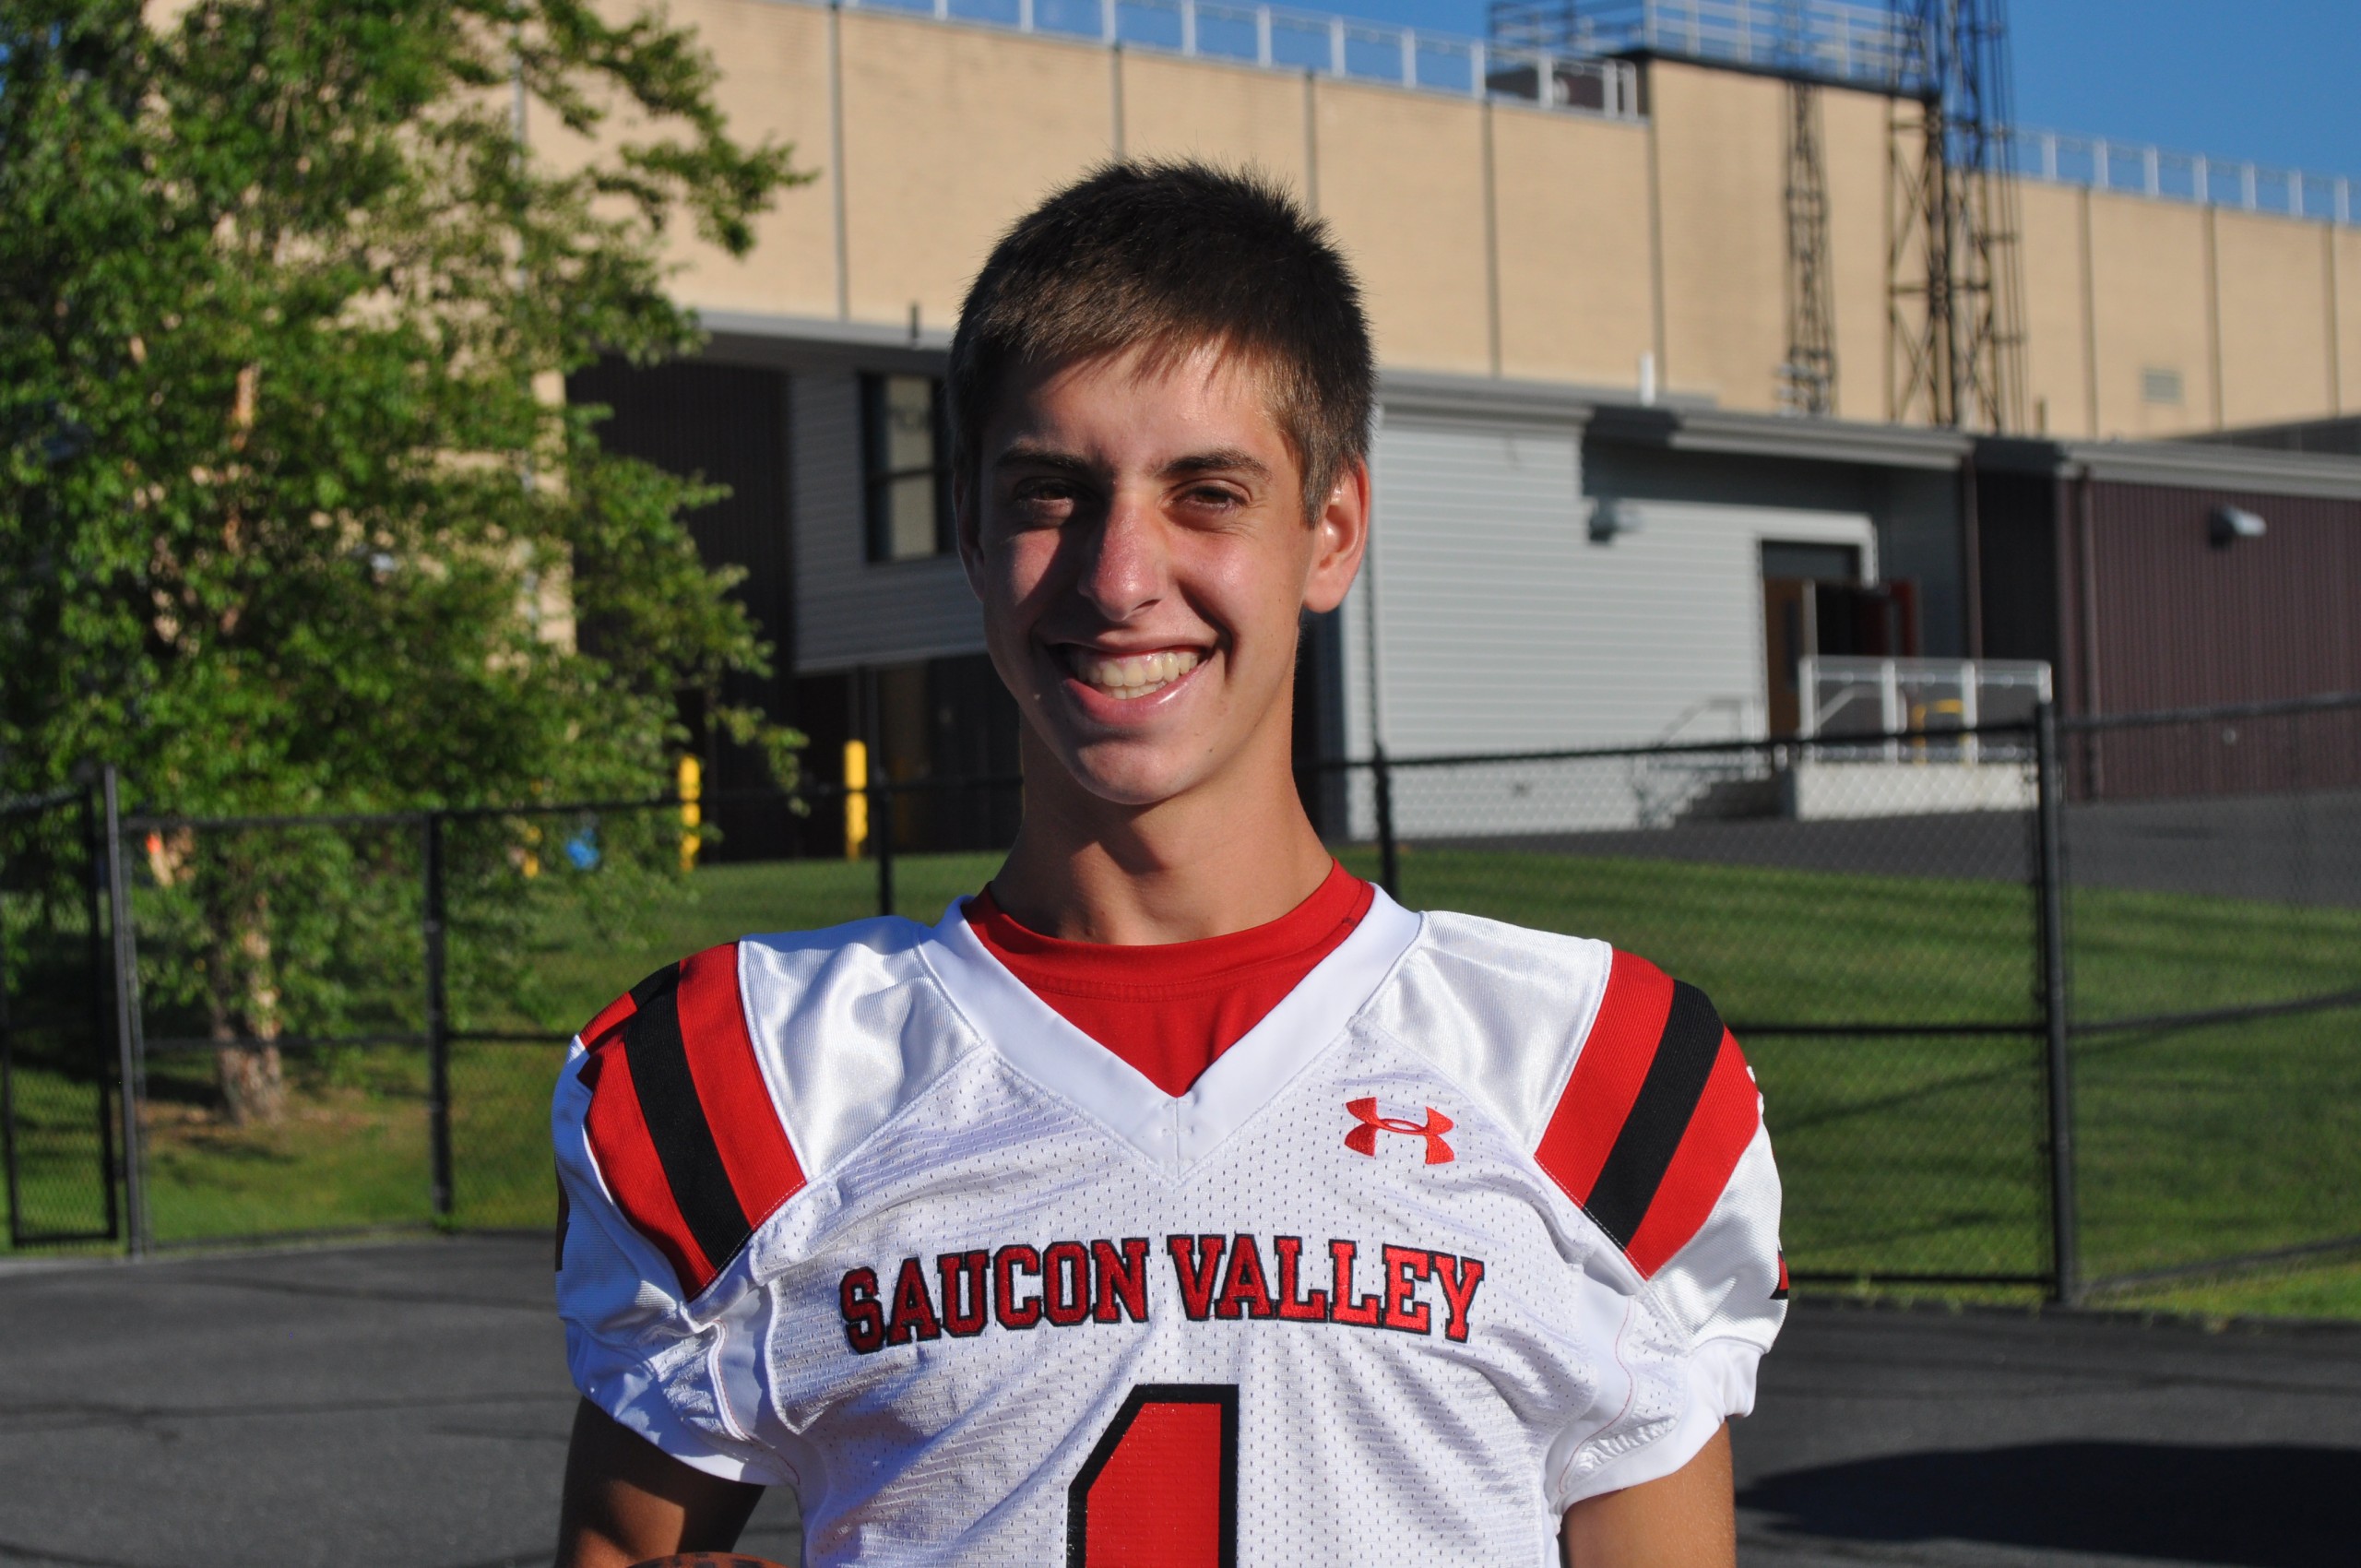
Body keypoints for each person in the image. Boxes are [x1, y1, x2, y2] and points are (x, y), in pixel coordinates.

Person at [552, 160, 1784, 1568]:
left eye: (1208, 492)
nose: (1120, 574)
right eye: (1051, 492)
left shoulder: (1583, 1074)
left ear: (1329, 530)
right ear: (966, 526)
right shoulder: (770, 1083)